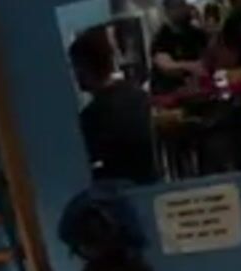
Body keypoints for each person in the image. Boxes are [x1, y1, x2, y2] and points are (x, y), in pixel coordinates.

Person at [69, 27, 156, 184]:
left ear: (84, 67)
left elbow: (80, 162)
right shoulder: (139, 97)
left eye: (74, 66)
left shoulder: (93, 116)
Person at [150, 0, 208, 95]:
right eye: (178, 6)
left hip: (197, 92)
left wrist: (201, 21)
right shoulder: (162, 38)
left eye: (184, 5)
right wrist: (192, 66)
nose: (183, 10)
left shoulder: (196, 34)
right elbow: (166, 65)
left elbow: (209, 56)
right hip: (169, 94)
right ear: (168, 11)